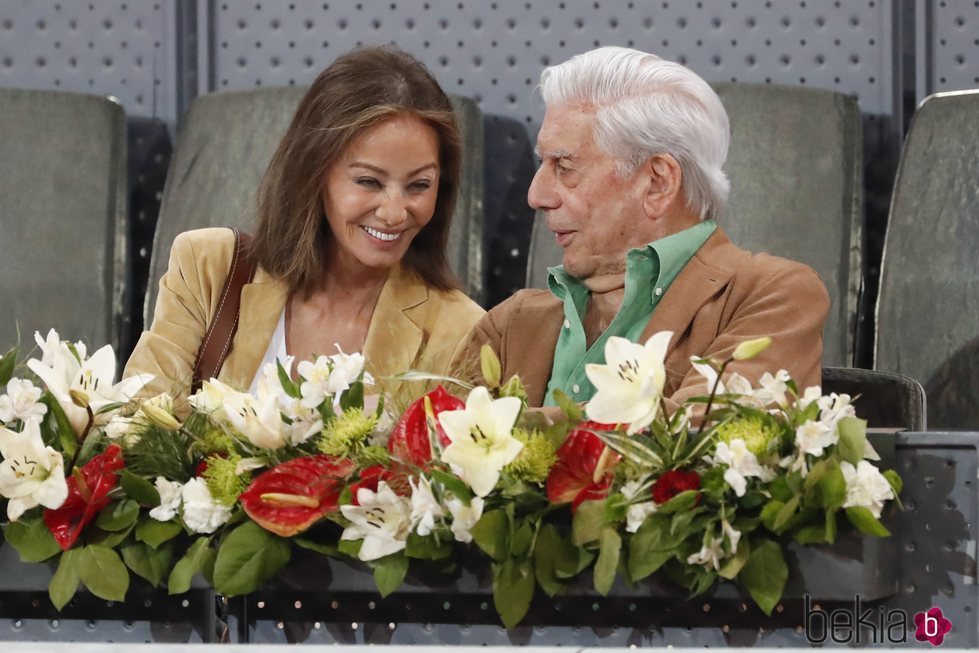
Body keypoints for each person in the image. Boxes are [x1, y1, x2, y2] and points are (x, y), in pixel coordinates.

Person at [453, 46, 828, 412]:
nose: (536, 195)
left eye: (564, 167)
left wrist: (505, 432)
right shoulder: (510, 325)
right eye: (543, 164)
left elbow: (699, 441)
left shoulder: (771, 297)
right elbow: (431, 455)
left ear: (657, 182)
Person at [126, 46, 484, 406]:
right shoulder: (207, 267)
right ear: (314, 173)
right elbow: (136, 429)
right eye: (369, 182)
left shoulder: (461, 331)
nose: (394, 213)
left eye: (419, 185)